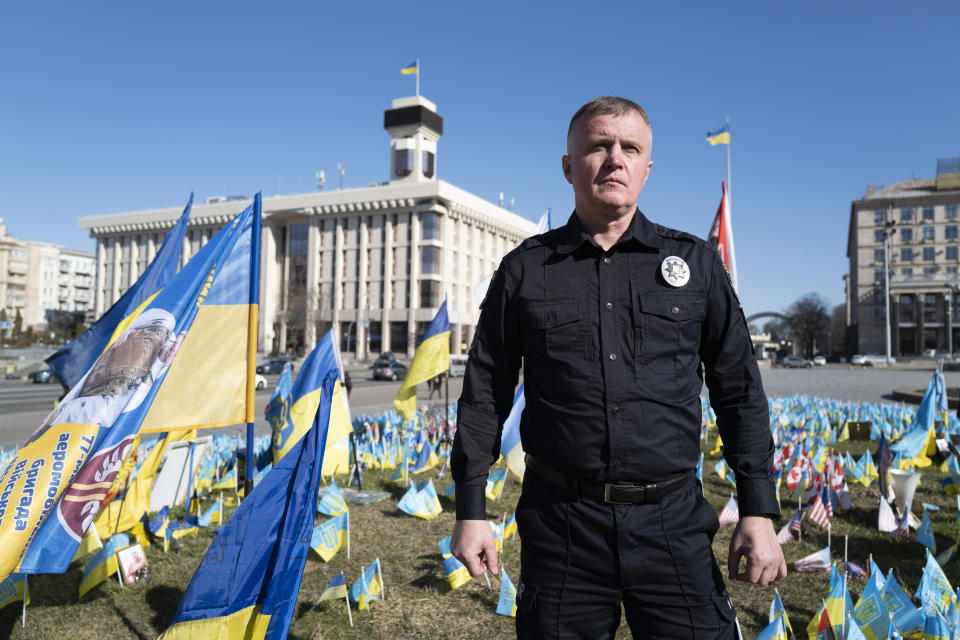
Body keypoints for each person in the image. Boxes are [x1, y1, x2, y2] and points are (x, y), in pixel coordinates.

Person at [450, 97, 785, 639]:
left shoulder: (696, 264)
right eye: (598, 146)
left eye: (630, 148)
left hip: (673, 523)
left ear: (647, 168)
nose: (615, 159)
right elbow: (485, 391)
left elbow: (740, 391)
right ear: (568, 165)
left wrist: (758, 510)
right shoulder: (523, 271)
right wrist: (470, 510)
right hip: (561, 527)